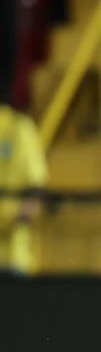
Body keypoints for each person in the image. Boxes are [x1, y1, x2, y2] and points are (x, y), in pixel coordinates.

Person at [0, 100, 46, 275]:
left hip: (12, 257)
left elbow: (36, 188)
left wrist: (16, 222)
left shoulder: (20, 129)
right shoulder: (21, 128)